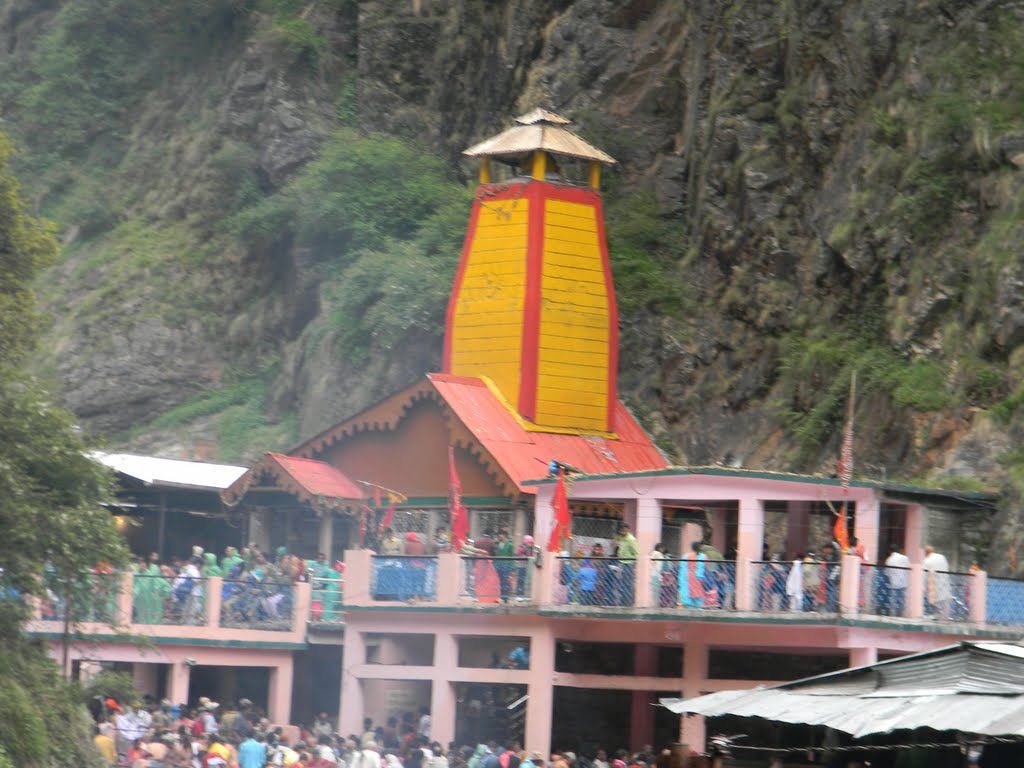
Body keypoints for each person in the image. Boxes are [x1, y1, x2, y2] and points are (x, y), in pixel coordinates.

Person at [923, 544, 952, 619]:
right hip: (944, 584)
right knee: (944, 604)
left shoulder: (926, 561)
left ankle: (938, 615)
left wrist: (923, 588)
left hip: (934, 586)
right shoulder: (941, 557)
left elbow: (924, 576)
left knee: (936, 604)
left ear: (925, 553)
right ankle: (945, 617)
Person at [614, 523, 639, 605]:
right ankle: (622, 602)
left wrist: (634, 565)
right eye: (622, 530)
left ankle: (627, 602)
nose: (623, 531)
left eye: (625, 530)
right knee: (621, 584)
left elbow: (636, 552)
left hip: (629, 563)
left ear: (628, 530)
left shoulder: (631, 539)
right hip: (621, 563)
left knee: (627, 584)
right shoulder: (621, 538)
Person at [678, 542, 706, 609]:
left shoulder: (686, 556)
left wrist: (681, 580)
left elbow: (682, 568)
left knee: (688, 595)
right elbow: (702, 568)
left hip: (687, 577)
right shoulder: (703, 556)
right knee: (697, 595)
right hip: (697, 578)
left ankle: (690, 608)